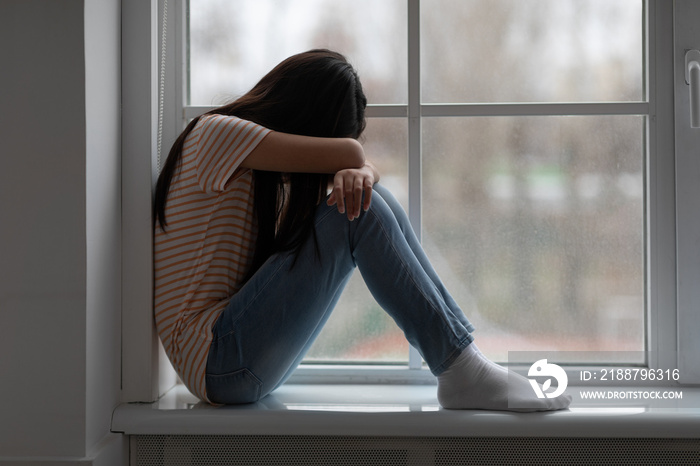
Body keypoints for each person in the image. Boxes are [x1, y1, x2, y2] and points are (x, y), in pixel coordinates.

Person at [153, 49, 571, 412]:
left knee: (367, 200)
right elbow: (351, 154)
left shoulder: (257, 170)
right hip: (219, 360)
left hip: (232, 363)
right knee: (357, 211)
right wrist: (354, 164)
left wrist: (359, 173)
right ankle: (463, 369)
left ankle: (465, 362)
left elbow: (359, 166)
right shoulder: (216, 134)